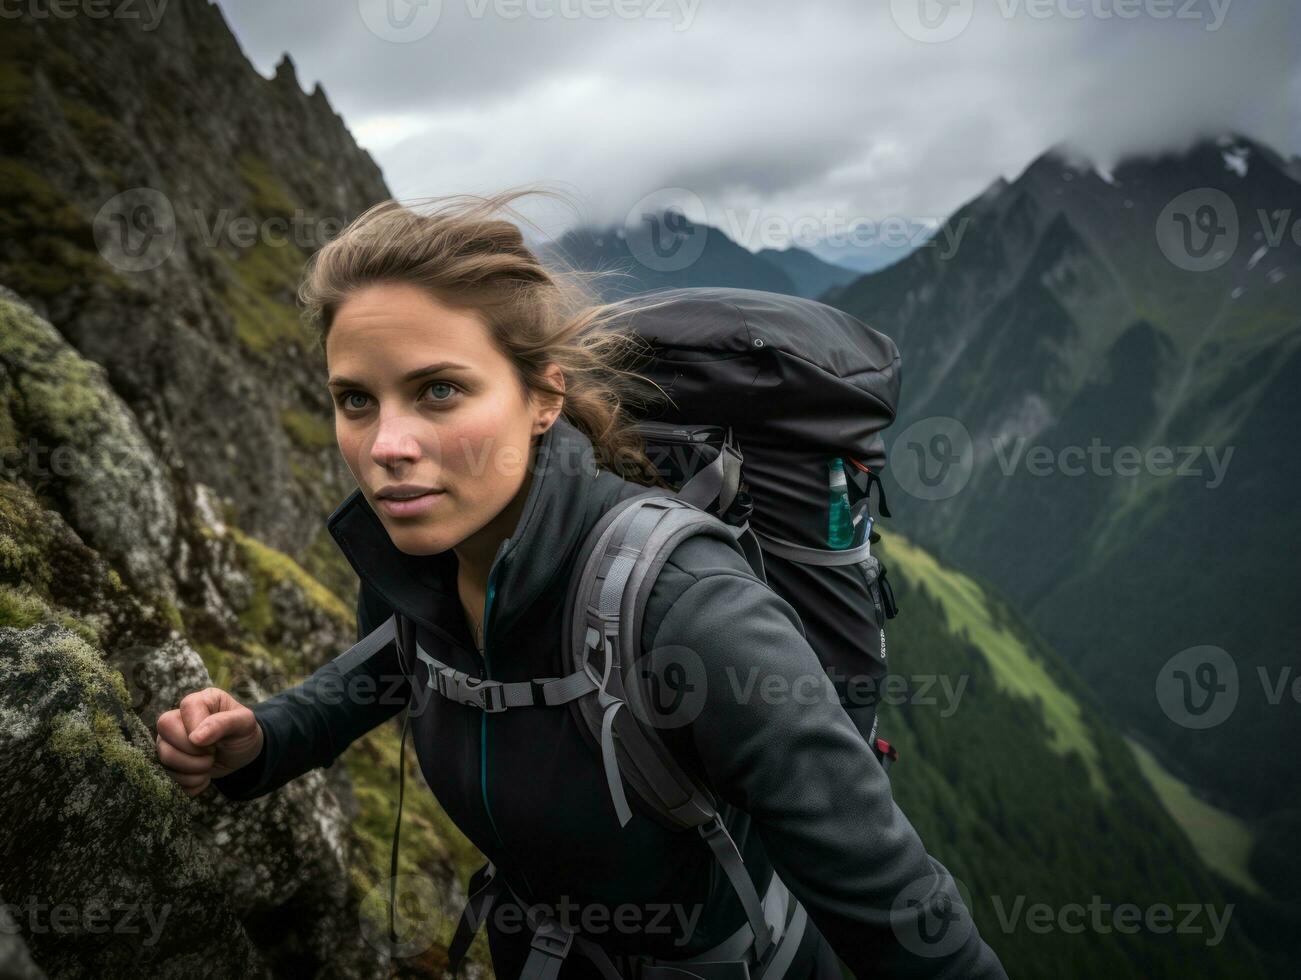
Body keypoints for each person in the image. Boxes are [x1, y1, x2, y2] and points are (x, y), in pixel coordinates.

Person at [154, 190, 1009, 980]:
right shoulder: (416, 558)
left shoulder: (686, 604)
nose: (385, 445)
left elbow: (895, 901)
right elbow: (393, 664)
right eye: (355, 400)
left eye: (439, 390)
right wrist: (263, 740)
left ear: (542, 398)